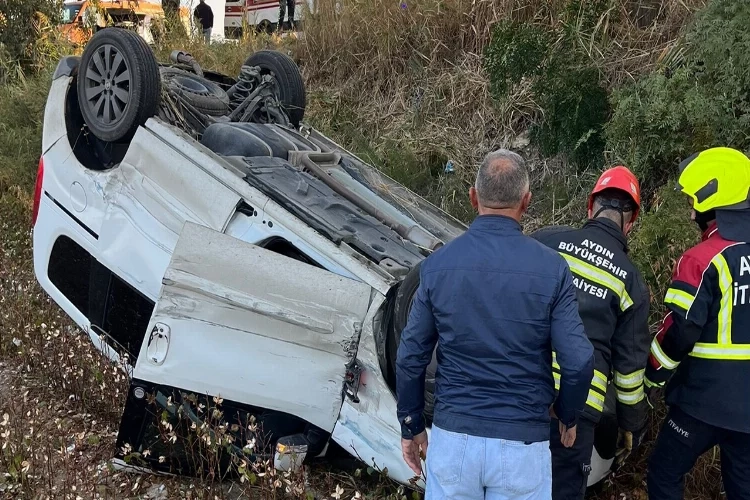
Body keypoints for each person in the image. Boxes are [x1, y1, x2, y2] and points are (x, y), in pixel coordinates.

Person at [396, 148, 595, 500]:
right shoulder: (553, 270)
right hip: (523, 444)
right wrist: (567, 414)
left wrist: (411, 425)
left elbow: (411, 355)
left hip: (454, 440)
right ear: (527, 202)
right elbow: (578, 362)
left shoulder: (437, 266)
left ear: (473, 198)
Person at [530, 166, 651, 500]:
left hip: (520, 390)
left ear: (590, 206)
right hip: (576, 413)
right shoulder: (631, 281)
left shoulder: (547, 241)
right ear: (632, 221)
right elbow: (629, 372)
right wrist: (632, 425)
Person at [645, 146, 750, 500]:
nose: (691, 214)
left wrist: (651, 375)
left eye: (694, 203)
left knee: (664, 473)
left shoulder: (703, 259)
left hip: (702, 402)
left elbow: (680, 331)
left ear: (713, 201)